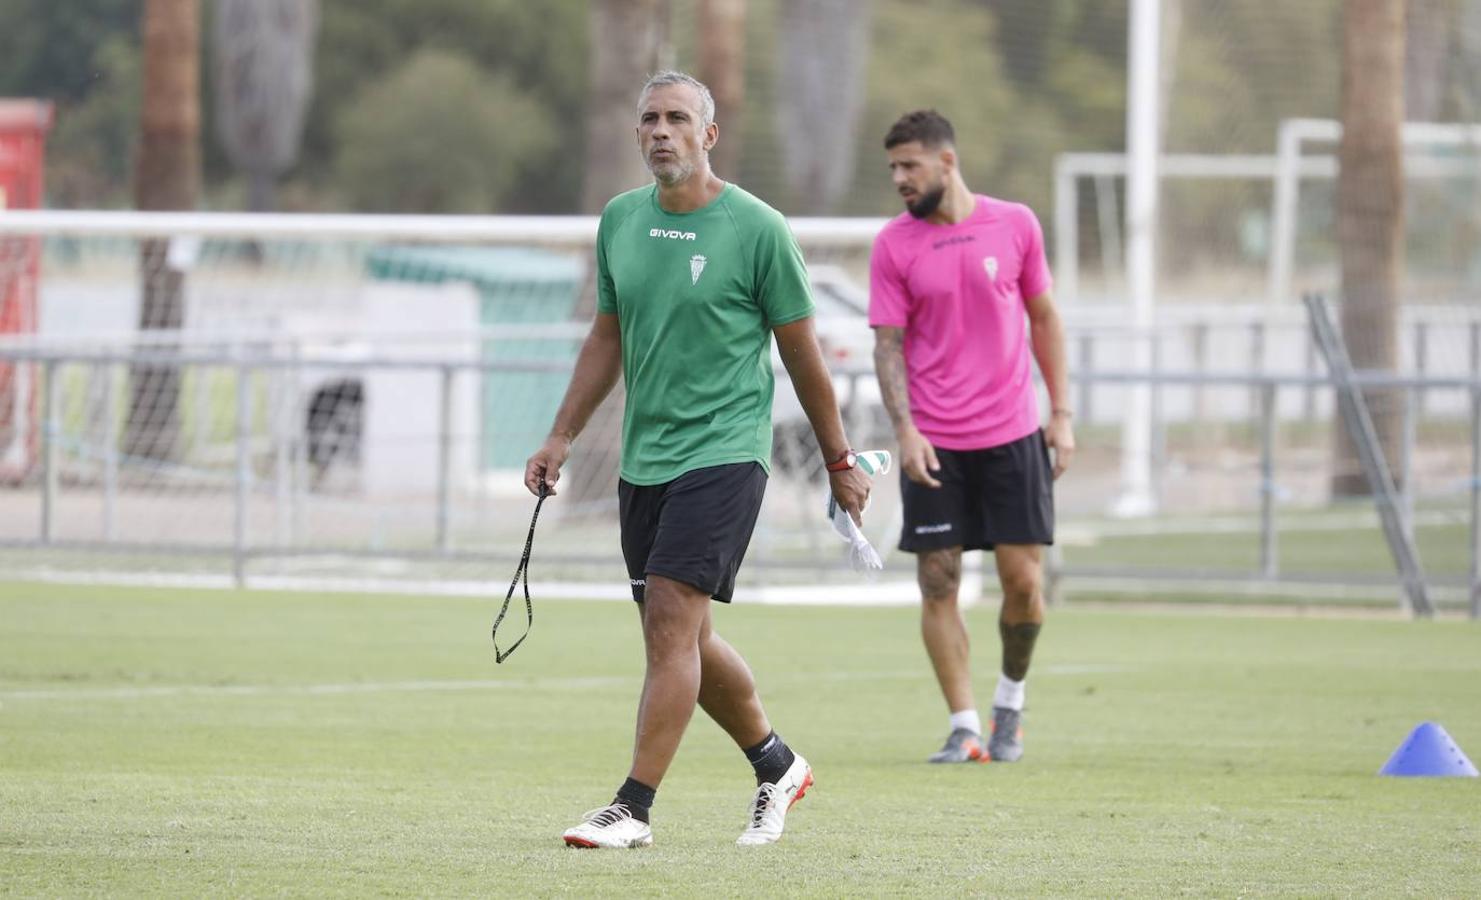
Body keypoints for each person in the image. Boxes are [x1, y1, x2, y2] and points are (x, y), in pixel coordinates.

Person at [524, 71, 871, 848]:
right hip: (644, 459)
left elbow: (803, 354)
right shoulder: (619, 220)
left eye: (677, 118)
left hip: (725, 452)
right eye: (648, 119)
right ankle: (775, 763)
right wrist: (560, 435)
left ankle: (632, 808)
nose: (660, 131)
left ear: (707, 136)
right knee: (678, 634)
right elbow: (605, 337)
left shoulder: (757, 228)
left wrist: (838, 458)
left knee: (671, 625)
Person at [868, 110, 1075, 765]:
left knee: (1021, 584)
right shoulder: (893, 245)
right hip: (935, 443)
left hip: (1012, 435)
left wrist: (1061, 412)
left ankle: (1007, 704)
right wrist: (904, 430)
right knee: (937, 580)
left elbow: (1043, 318)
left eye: (910, 166)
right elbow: (887, 345)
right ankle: (963, 726)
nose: (899, 178)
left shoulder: (1014, 224)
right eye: (893, 168)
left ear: (946, 163)